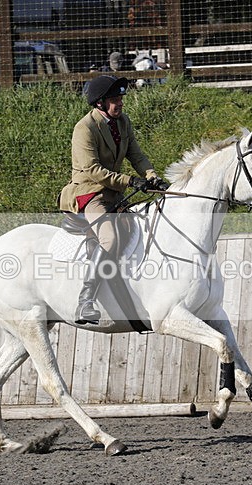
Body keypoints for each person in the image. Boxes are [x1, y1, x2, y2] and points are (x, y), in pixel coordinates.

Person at [58, 75, 167, 325]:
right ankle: (85, 301)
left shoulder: (123, 122)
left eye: (120, 99)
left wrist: (152, 177)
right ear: (100, 103)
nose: (120, 104)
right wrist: (130, 181)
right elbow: (93, 170)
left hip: (114, 194)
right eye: (114, 100)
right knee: (110, 237)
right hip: (90, 193)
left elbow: (136, 155)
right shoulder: (84, 128)